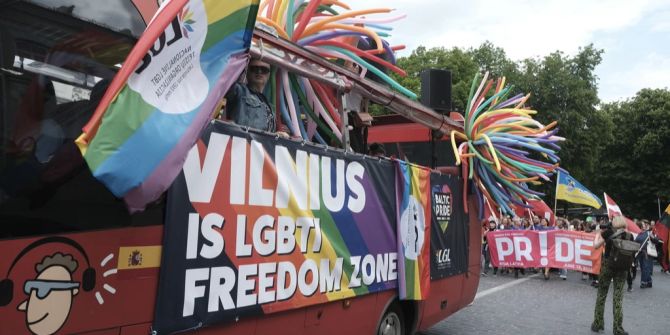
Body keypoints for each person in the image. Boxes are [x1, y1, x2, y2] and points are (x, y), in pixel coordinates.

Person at [591, 216, 633, 335]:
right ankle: (618, 329)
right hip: (623, 269)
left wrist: (597, 235)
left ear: (613, 223)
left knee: (601, 295)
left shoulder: (608, 232)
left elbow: (596, 246)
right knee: (618, 298)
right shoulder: (630, 236)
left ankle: (598, 323)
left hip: (607, 267)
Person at [225, 57, 288, 136]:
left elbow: (264, 132)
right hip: (240, 144)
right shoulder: (239, 90)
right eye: (254, 68)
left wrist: (276, 135)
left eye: (264, 69)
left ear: (268, 75)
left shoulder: (269, 105)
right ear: (247, 72)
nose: (259, 72)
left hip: (259, 146)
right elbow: (224, 80)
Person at [635, 220, 657, 289]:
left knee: (645, 267)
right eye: (644, 224)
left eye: (645, 224)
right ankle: (649, 281)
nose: (645, 225)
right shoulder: (637, 233)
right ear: (640, 226)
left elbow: (656, 241)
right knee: (643, 268)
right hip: (639, 252)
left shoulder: (648, 233)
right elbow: (635, 242)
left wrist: (652, 237)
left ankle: (643, 282)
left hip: (646, 253)